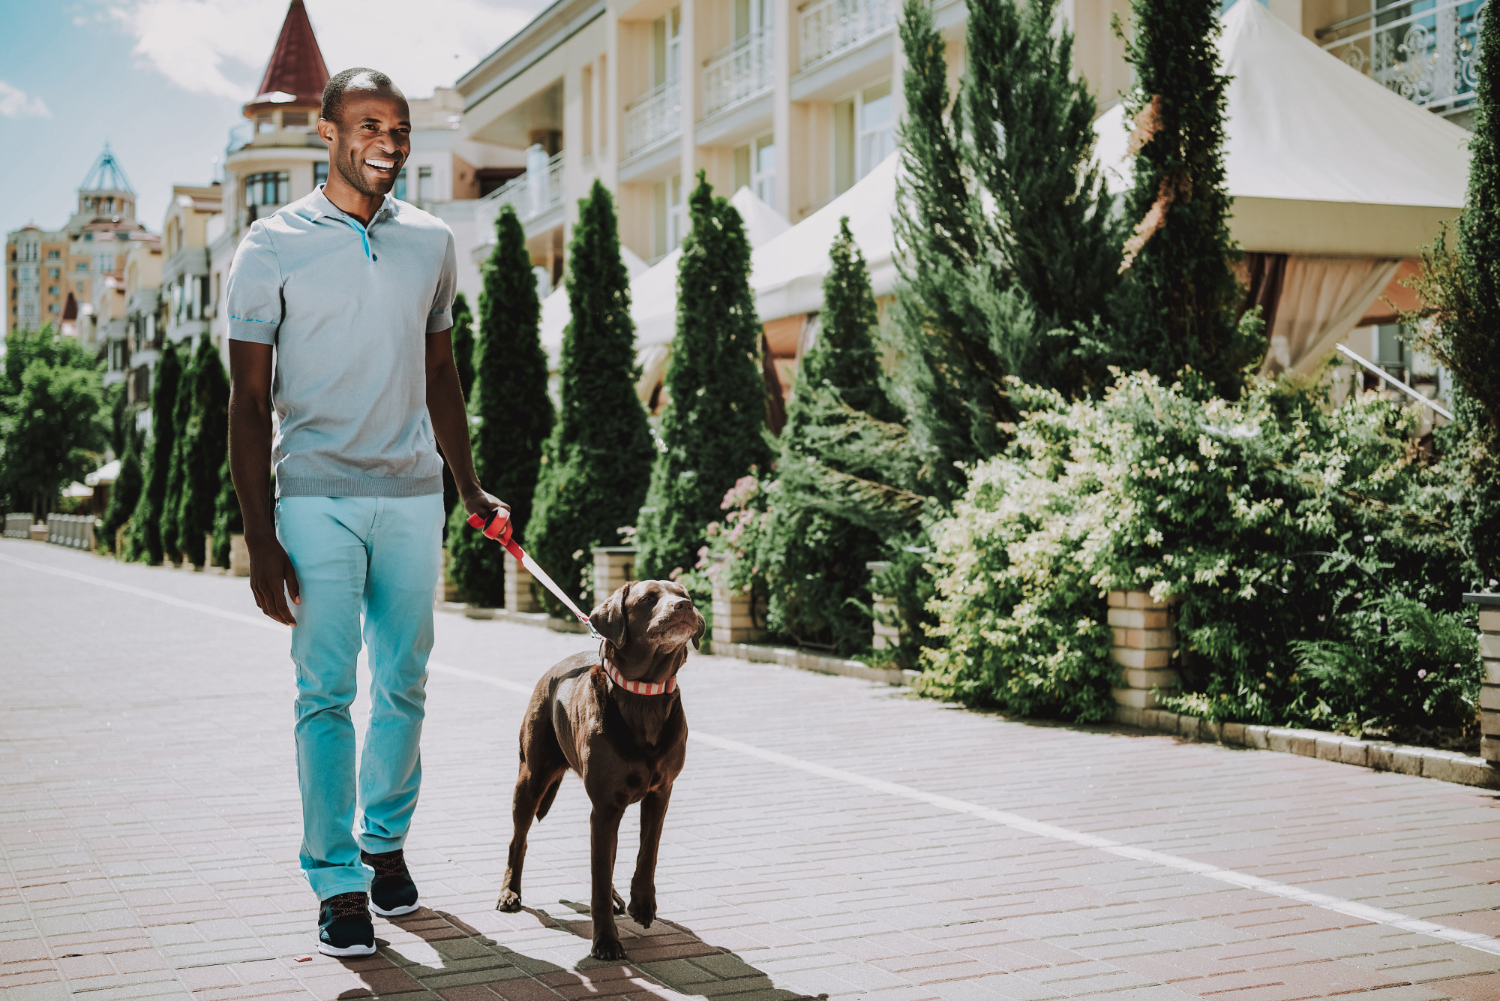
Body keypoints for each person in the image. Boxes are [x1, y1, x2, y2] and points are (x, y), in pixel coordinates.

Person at [226, 67, 507, 958]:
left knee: (406, 683)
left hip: (412, 495)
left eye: (401, 128)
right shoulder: (269, 245)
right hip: (313, 494)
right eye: (369, 124)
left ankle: (383, 840)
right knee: (324, 690)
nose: (389, 141)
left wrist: (468, 488)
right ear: (328, 130)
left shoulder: (430, 242)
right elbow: (245, 401)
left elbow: (441, 375)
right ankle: (337, 878)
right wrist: (260, 537)